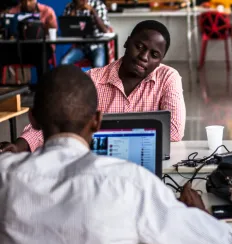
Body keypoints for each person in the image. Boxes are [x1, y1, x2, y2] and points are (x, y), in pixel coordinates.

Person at [0, 65, 232, 244]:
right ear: (97, 121)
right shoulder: (129, 182)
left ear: (32, 118)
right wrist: (198, 214)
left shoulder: (5, 173)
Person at [0, 20, 186, 153]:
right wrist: (19, 145)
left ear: (160, 60)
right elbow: (56, 119)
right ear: (126, 42)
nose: (144, 57)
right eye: (139, 46)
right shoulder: (93, 80)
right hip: (97, 162)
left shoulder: (168, 78)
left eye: (154, 54)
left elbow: (175, 131)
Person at [0, 0, 58, 81]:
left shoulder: (47, 12)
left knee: (43, 53)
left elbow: (53, 35)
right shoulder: (12, 12)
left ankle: (43, 88)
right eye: (24, 1)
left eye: (30, 0)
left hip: (39, 52)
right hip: (19, 51)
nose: (27, 4)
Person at [61, 0, 110, 68]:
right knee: (64, 63)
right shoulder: (70, 7)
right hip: (80, 46)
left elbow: (104, 30)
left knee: (98, 65)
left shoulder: (97, 4)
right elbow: (66, 31)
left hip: (96, 45)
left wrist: (93, 11)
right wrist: (71, 15)